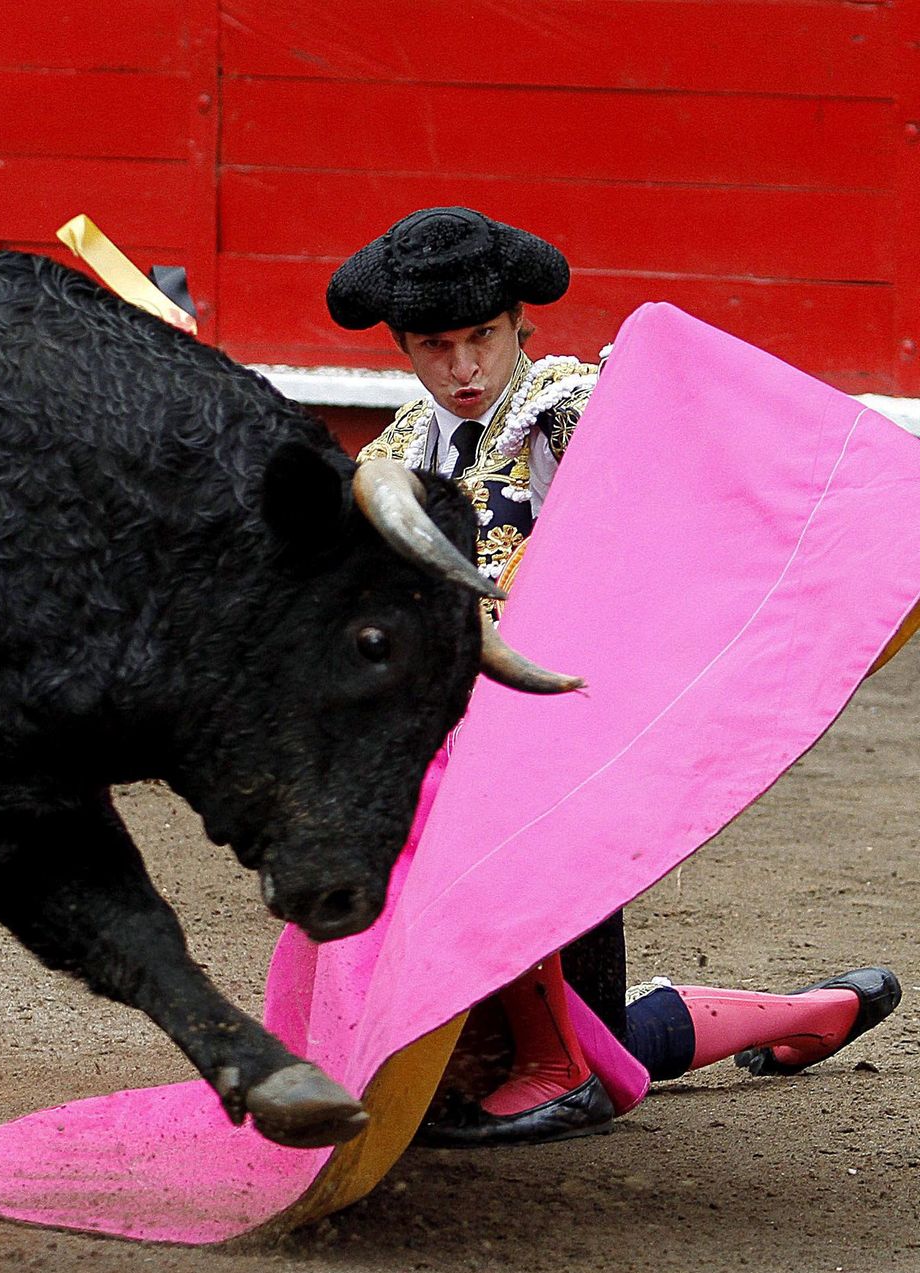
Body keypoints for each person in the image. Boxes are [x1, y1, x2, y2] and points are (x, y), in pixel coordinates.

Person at [324, 206, 902, 1146]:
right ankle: (811, 1012)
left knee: (539, 1028)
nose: (464, 368)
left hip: (566, 751)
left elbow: (700, 486)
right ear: (402, 348)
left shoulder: (572, 409)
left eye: (483, 337)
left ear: (522, 324)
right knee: (577, 1037)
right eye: (436, 346)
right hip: (471, 746)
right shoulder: (390, 459)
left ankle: (559, 1067)